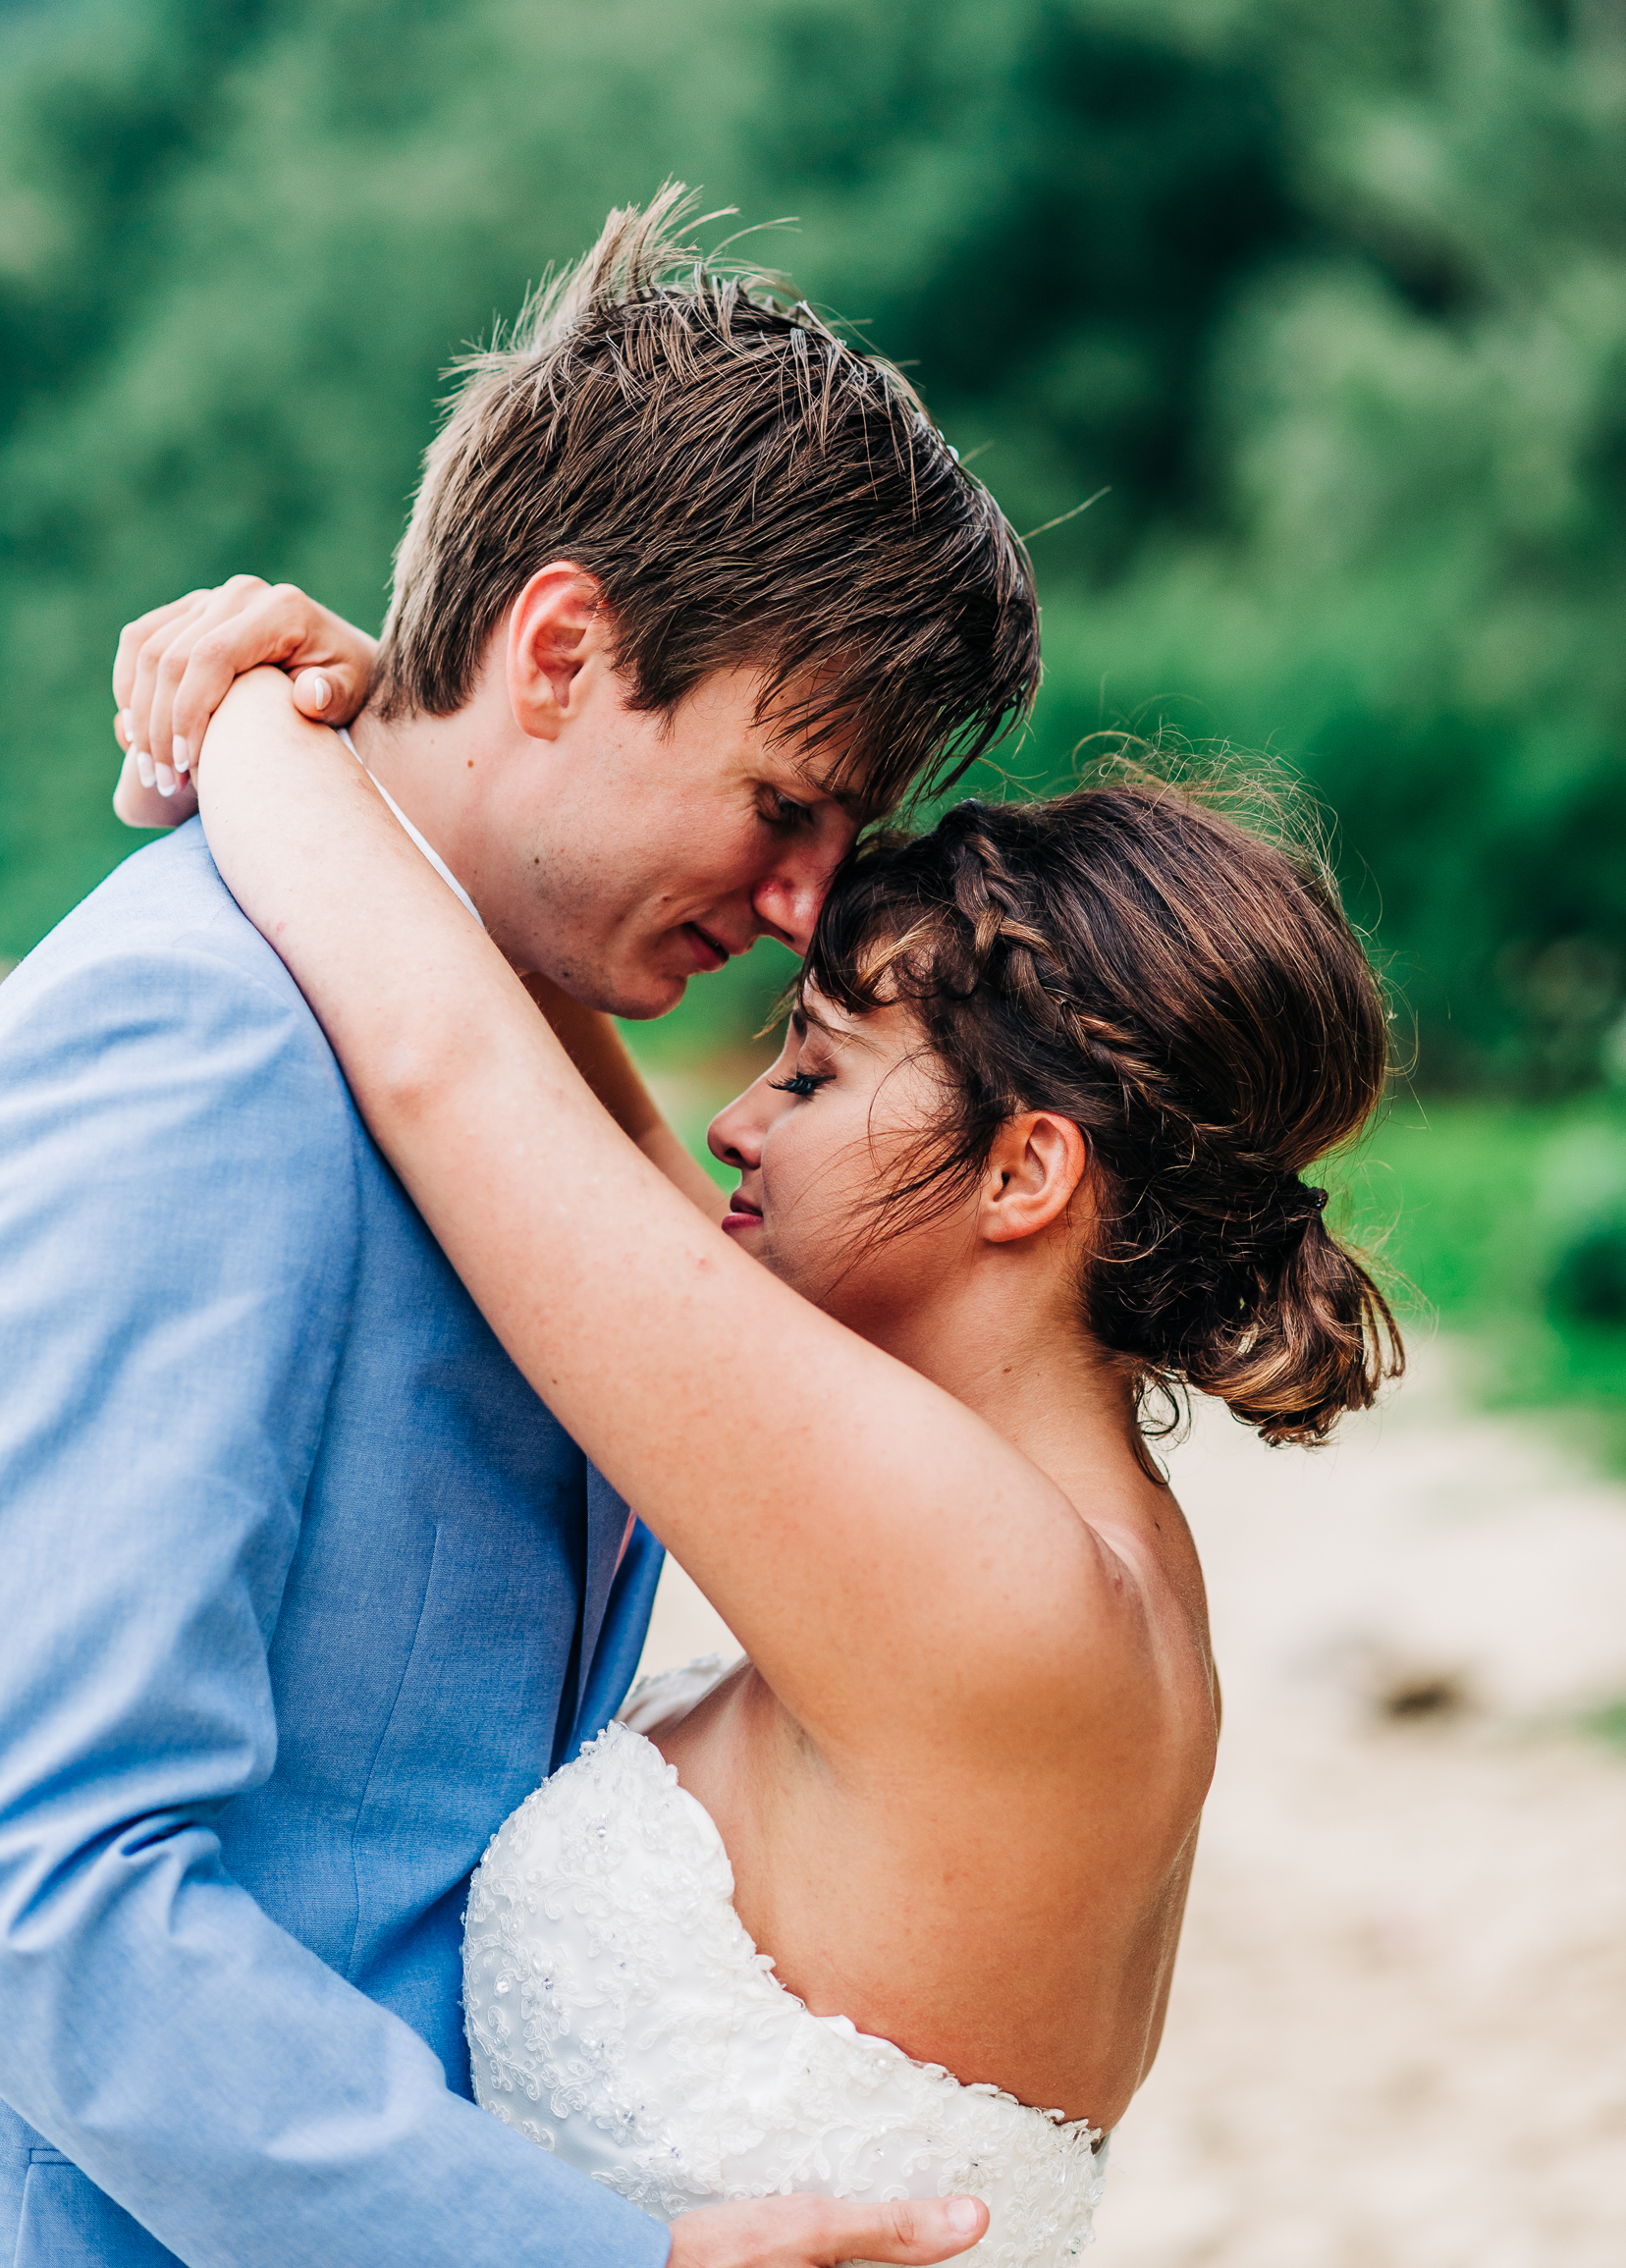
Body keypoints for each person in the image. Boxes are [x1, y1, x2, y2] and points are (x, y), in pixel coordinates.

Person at [0, 193, 1039, 2268]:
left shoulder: (495, 1044)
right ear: (559, 649)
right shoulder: (203, 1043)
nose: (804, 902)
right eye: (786, 798)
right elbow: (50, 1884)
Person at [167, 656, 1403, 2263]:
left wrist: (244, 697)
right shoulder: (1072, 1541)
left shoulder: (979, 1569)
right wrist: (414, 742)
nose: (738, 1122)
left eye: (813, 1070)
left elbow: (452, 1072)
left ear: (1027, 1169)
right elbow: (569, 1110)